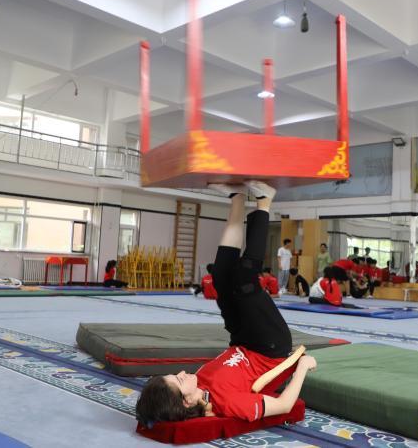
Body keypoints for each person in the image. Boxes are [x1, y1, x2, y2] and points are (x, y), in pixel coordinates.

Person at [136, 181, 317, 424]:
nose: (182, 372)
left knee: (220, 276)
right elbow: (284, 405)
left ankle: (238, 198)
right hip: (269, 346)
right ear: (186, 402)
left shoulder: (198, 384)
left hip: (242, 339)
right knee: (244, 280)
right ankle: (264, 201)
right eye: (178, 379)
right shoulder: (228, 403)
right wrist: (302, 366)